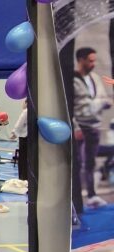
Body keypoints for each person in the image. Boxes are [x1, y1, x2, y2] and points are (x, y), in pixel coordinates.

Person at [72, 47, 111, 210]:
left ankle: (91, 195)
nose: (93, 64)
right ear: (81, 60)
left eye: (94, 60)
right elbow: (71, 107)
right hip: (81, 127)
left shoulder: (94, 78)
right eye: (90, 61)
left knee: (90, 163)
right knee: (78, 162)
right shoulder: (72, 79)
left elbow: (102, 98)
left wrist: (102, 103)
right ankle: (77, 197)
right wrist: (75, 127)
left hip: (94, 126)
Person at [10, 101, 28, 180]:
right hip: (32, 138)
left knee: (23, 159)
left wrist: (14, 133)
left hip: (24, 138)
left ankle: (23, 178)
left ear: (26, 103)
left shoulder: (26, 111)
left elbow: (19, 124)